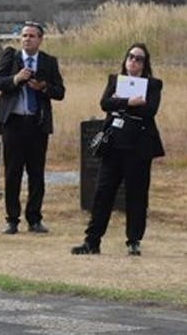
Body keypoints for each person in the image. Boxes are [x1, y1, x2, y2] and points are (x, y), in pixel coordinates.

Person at [72, 43, 165, 256]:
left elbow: (150, 110)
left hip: (138, 147)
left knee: (136, 195)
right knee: (103, 193)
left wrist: (120, 102)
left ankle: (133, 240)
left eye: (139, 58)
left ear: (145, 64)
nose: (133, 61)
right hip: (113, 146)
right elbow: (105, 103)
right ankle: (92, 241)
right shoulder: (115, 80)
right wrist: (129, 101)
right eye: (130, 56)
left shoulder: (153, 84)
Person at [0, 21, 65, 234]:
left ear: (40, 39)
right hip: (13, 122)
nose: (27, 39)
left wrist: (44, 88)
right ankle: (12, 219)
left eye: (32, 36)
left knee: (36, 173)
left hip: (37, 124)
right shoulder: (11, 57)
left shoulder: (48, 62)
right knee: (13, 172)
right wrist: (16, 78)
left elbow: (60, 92)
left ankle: (35, 218)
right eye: (24, 35)